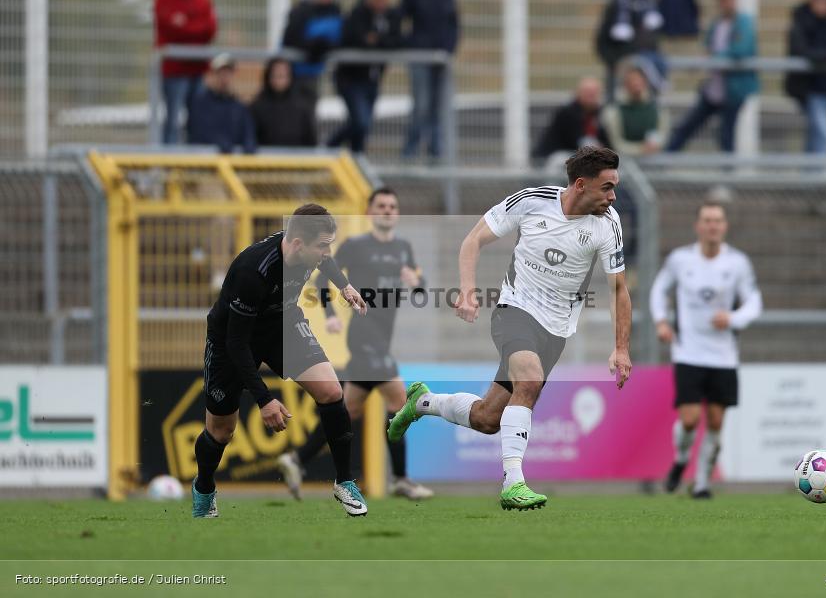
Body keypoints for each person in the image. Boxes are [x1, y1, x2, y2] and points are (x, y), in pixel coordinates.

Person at [388, 146, 633, 511]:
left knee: (488, 418)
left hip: (556, 330)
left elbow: (618, 288)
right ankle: (513, 483)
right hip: (514, 310)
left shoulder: (608, 224)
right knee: (529, 381)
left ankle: (422, 402)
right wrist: (468, 290)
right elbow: (473, 239)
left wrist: (621, 347)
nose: (613, 197)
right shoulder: (532, 201)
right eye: (607, 187)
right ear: (581, 184)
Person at [192, 204, 370, 518]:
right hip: (231, 340)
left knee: (332, 392)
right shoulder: (253, 272)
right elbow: (236, 343)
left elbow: (326, 260)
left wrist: (344, 285)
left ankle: (344, 482)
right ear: (298, 244)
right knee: (221, 432)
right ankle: (204, 487)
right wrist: (264, 400)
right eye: (323, 246)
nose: (327, 253)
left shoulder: (307, 248)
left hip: (281, 326)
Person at [277, 188, 434, 500]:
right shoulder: (355, 246)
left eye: (392, 206)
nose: (387, 210)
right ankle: (401, 479)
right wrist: (330, 314)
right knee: (399, 401)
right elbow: (322, 277)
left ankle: (297, 459)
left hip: (383, 339)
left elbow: (419, 288)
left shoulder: (403, 248)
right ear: (369, 212)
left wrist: (417, 282)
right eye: (381, 205)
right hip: (363, 335)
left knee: (347, 411)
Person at [650, 198, 762, 499]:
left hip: (724, 355)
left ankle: (701, 483)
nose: (713, 226)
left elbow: (754, 302)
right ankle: (681, 459)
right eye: (708, 221)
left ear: (725, 226)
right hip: (688, 352)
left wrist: (733, 318)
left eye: (718, 221)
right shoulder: (680, 260)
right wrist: (661, 321)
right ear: (698, 226)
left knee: (715, 421)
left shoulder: (737, 263)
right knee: (689, 420)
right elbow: (659, 290)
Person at [666, 0, 759, 153]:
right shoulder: (717, 23)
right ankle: (665, 157)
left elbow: (740, 51)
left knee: (726, 135)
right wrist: (703, 61)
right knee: (688, 126)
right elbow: (707, 47)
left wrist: (714, 58)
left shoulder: (743, 23)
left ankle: (727, 168)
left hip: (734, 90)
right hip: (714, 88)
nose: (726, 3)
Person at [327, 0, 402, 153]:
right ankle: (329, 147)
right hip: (351, 79)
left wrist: (377, 40)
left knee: (362, 126)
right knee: (361, 122)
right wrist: (376, 41)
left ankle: (355, 156)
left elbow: (397, 41)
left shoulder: (391, 16)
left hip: (373, 80)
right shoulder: (357, 14)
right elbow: (358, 40)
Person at [400, 0, 459, 159]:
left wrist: (448, 50)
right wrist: (409, 43)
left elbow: (453, 25)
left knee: (437, 107)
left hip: (440, 59)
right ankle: (410, 151)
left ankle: (435, 152)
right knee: (421, 105)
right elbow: (398, 17)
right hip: (420, 57)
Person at [785, 0, 826, 156]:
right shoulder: (801, 21)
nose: (824, 5)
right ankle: (819, 171)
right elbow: (801, 50)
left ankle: (811, 171)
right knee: (824, 134)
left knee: (815, 135)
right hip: (808, 88)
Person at [154, 0, 217, 144]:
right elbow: (169, 29)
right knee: (173, 119)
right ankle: (169, 156)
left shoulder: (203, 1)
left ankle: (195, 154)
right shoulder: (164, 1)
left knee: (198, 119)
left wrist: (185, 25)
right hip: (174, 70)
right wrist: (198, 27)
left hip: (198, 69)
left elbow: (210, 29)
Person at [594, 0, 665, 102]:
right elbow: (602, 41)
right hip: (621, 58)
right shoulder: (616, 10)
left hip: (643, 57)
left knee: (655, 62)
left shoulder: (646, 9)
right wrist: (613, 61)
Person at [187, 53, 257, 154]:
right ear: (212, 76)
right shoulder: (200, 104)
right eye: (220, 73)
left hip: (233, 161)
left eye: (228, 73)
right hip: (207, 160)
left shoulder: (239, 107)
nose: (224, 78)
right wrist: (218, 142)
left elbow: (248, 132)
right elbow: (198, 132)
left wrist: (249, 143)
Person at [532, 77, 611, 163]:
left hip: (582, 155)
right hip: (555, 155)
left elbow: (605, 139)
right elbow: (574, 141)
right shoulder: (567, 112)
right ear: (578, 93)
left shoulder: (601, 113)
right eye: (587, 92)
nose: (591, 97)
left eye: (594, 93)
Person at [281, 0, 343, 104]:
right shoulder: (302, 11)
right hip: (297, 71)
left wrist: (324, 47)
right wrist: (315, 47)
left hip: (317, 71)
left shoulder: (334, 11)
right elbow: (290, 39)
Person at [602, 62, 669, 156]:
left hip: (653, 158)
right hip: (624, 160)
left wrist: (655, 146)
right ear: (625, 83)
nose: (636, 83)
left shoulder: (658, 109)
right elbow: (617, 143)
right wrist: (640, 149)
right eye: (632, 80)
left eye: (639, 79)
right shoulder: (613, 111)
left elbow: (662, 135)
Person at [251, 57, 317, 147]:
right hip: (267, 155)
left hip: (296, 155)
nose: (279, 79)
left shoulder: (302, 106)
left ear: (290, 77)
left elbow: (310, 140)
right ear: (268, 77)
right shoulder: (257, 107)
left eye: (283, 75)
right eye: (276, 75)